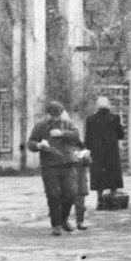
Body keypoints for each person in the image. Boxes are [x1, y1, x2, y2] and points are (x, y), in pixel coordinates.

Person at [27, 101, 84, 236]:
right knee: (53, 195)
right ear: (48, 115)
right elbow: (31, 143)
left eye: (59, 115)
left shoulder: (68, 123)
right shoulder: (40, 125)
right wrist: (39, 145)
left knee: (71, 194)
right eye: (54, 116)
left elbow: (76, 137)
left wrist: (62, 133)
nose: (57, 118)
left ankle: (64, 219)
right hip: (49, 164)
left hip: (67, 163)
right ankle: (56, 224)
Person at [84, 96, 125, 208]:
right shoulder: (115, 117)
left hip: (97, 150)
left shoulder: (91, 119)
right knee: (113, 171)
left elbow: (88, 137)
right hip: (111, 149)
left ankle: (100, 199)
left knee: (98, 173)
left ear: (97, 106)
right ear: (108, 106)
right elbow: (120, 134)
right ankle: (113, 199)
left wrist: (87, 149)